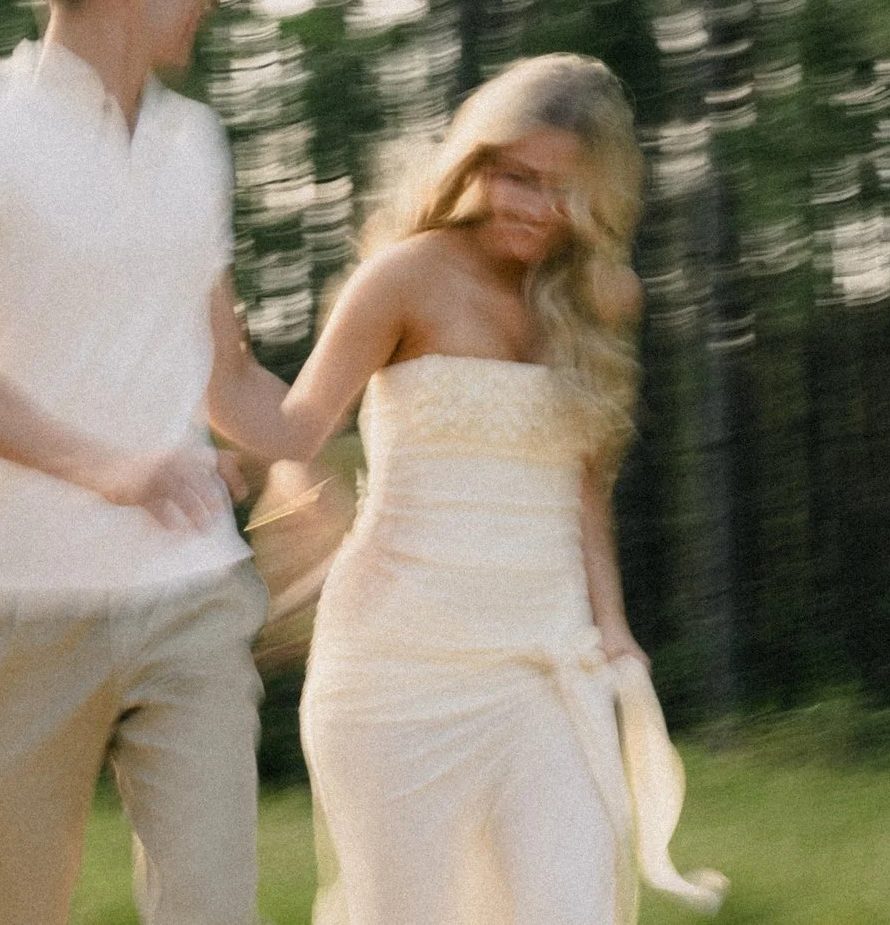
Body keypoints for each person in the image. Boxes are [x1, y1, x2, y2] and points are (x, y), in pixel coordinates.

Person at [208, 54, 729, 923]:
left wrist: (613, 630)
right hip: (396, 668)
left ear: (597, 197)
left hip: (543, 665)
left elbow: (583, 491)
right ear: (475, 163)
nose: (532, 205)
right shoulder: (404, 277)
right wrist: (218, 367)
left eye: (561, 187)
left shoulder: (601, 296)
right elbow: (295, 430)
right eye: (514, 174)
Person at [0, 0, 267, 922]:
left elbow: (225, 374)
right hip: (9, 606)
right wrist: (115, 467)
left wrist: (319, 458)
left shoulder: (197, 143)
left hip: (186, 592)